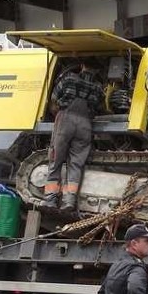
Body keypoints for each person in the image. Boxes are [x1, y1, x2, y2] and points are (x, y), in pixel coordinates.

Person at [43, 59, 105, 211]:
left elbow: (53, 101)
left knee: (56, 158)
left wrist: (59, 115)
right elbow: (101, 108)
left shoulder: (69, 78)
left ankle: (50, 199)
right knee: (76, 163)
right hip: (85, 125)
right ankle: (69, 200)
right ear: (97, 71)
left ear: (82, 65)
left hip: (65, 120)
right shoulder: (98, 87)